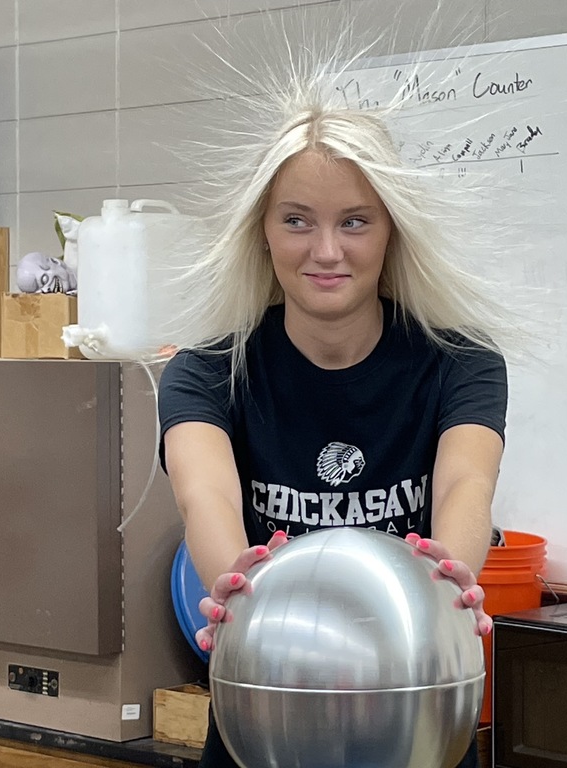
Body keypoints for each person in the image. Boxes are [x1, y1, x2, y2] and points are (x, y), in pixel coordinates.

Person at [158, 70, 512, 768]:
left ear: (390, 232)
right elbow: (205, 495)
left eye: (354, 221)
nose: (326, 251)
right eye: (297, 220)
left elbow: (465, 484)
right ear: (262, 231)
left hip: (416, 721)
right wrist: (236, 587)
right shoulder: (205, 372)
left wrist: (451, 581)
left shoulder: (460, 365)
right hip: (268, 723)